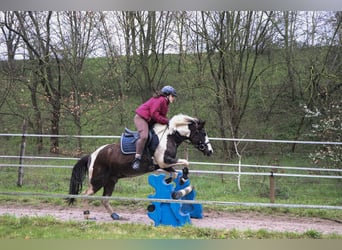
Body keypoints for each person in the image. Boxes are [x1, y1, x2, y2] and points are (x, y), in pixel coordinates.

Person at [132, 85, 177, 170]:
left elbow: (161, 117)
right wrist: (167, 121)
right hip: (141, 118)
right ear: (167, 95)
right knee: (144, 136)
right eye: (172, 96)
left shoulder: (165, 102)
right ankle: (137, 159)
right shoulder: (160, 100)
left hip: (149, 120)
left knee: (156, 137)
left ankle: (151, 159)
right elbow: (154, 114)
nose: (173, 98)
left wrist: (168, 122)